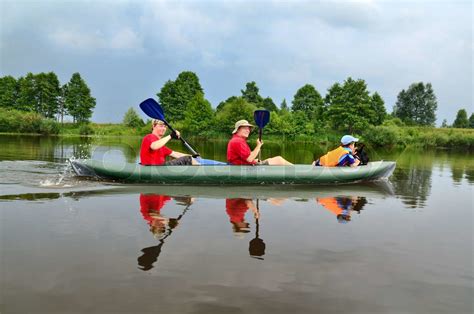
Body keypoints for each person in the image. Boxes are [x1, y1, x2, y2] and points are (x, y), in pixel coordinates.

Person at [227, 120, 293, 165]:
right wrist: (258, 146)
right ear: (238, 130)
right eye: (245, 128)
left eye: (248, 129)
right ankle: (296, 170)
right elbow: (249, 159)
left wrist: (254, 160)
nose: (248, 130)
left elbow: (248, 156)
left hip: (243, 165)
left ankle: (294, 169)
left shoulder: (237, 139)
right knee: (279, 159)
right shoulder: (237, 141)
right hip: (242, 168)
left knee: (271, 159)